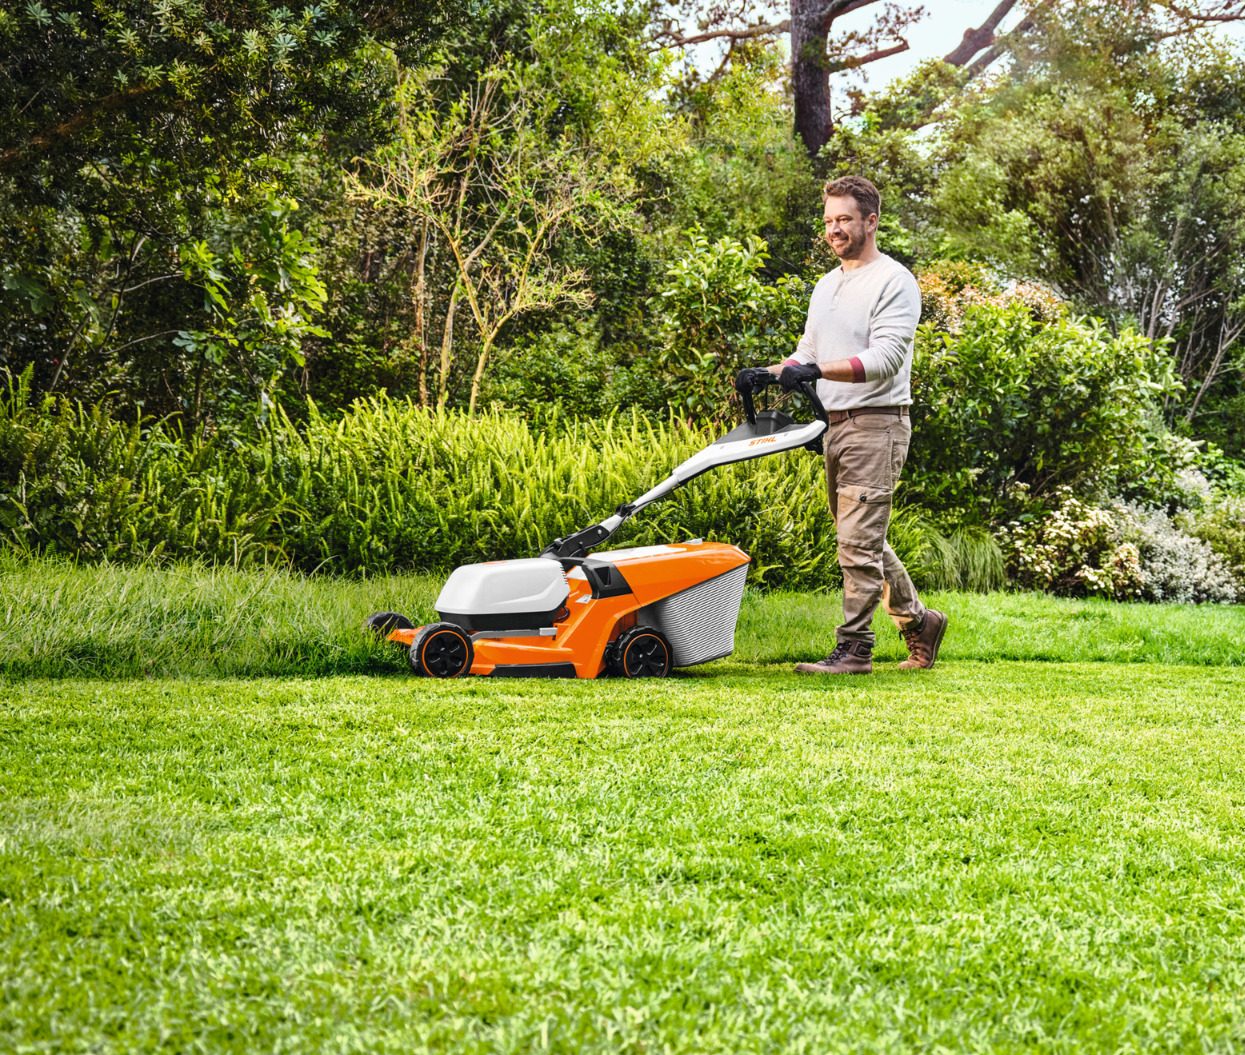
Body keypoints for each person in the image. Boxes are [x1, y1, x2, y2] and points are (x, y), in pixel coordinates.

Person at [738, 175, 946, 675]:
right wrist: (768, 373)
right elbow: (810, 352)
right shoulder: (828, 284)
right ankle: (919, 621)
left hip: (877, 424)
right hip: (834, 425)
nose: (834, 230)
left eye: (844, 220)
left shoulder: (894, 281)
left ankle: (855, 649)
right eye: (829, 221)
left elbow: (886, 358)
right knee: (860, 538)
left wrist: (817, 372)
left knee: (857, 541)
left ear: (871, 221)